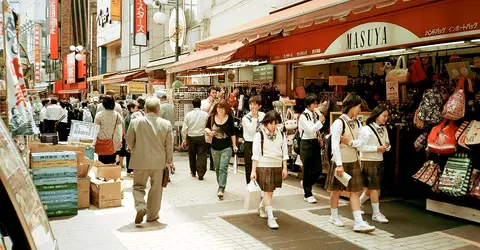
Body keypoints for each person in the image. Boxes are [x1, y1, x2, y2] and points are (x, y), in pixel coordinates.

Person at [325, 93, 375, 233]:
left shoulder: (358, 122)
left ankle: (358, 222)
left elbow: (361, 143)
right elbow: (335, 146)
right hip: (340, 162)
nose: (360, 109)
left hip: (353, 161)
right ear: (351, 106)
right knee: (336, 190)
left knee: (355, 191)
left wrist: (350, 142)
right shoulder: (338, 123)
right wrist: (339, 164)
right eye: (358, 107)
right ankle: (334, 216)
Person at [126, 97, 174, 224]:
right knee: (156, 189)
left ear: (145, 109)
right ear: (158, 109)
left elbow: (129, 139)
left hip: (140, 160)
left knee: (138, 186)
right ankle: (152, 215)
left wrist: (133, 149)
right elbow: (169, 144)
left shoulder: (135, 122)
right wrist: (169, 160)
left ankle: (141, 206)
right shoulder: (166, 124)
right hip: (159, 162)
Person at [250, 111, 288, 229]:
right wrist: (253, 171)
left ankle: (262, 207)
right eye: (271, 123)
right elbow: (255, 154)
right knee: (268, 191)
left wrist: (285, 167)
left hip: (277, 165)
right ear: (266, 123)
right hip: (264, 165)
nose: (274, 126)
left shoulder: (281, 134)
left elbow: (284, 152)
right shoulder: (259, 135)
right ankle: (271, 217)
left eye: (276, 123)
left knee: (271, 191)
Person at [358, 106, 391, 223]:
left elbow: (387, 144)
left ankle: (358, 203)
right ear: (376, 115)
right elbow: (361, 147)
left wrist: (386, 147)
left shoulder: (384, 129)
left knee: (373, 187)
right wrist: (377, 148)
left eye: (387, 116)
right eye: (384, 116)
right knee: (374, 187)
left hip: (379, 160)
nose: (386, 118)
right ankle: (376, 213)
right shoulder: (366, 129)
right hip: (368, 160)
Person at [205, 100, 238, 200]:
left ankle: (221, 188)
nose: (220, 110)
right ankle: (221, 184)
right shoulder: (211, 117)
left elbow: (233, 133)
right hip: (214, 147)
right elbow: (206, 128)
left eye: (222, 108)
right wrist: (210, 132)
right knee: (218, 168)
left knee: (223, 168)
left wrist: (234, 145)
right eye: (219, 108)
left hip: (226, 147)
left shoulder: (230, 119)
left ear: (226, 109)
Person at [298, 94, 325, 204]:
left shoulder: (314, 114)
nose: (316, 105)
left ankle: (306, 183)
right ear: (308, 104)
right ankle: (307, 193)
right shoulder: (304, 116)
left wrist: (319, 137)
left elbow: (317, 129)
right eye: (314, 103)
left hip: (314, 142)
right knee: (308, 169)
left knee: (318, 169)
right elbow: (310, 130)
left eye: (316, 103)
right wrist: (320, 121)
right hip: (306, 142)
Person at [181, 98, 209, 180]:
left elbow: (184, 129)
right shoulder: (205, 114)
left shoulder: (188, 115)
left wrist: (184, 139)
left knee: (192, 155)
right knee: (202, 155)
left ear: (193, 105)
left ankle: (193, 171)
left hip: (191, 137)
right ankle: (201, 173)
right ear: (200, 104)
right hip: (202, 137)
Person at [242, 96, 265, 184]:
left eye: (255, 104)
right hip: (249, 143)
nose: (252, 106)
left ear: (259, 106)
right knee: (249, 167)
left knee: (260, 165)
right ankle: (250, 186)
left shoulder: (263, 115)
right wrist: (254, 118)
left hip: (260, 143)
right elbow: (253, 131)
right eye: (251, 104)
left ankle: (259, 187)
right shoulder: (245, 118)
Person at [95, 96, 124, 164]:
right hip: (113, 142)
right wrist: (120, 140)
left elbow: (96, 129)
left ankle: (102, 174)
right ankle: (110, 173)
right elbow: (120, 129)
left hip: (101, 141)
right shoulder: (117, 115)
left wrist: (93, 142)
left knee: (101, 161)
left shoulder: (99, 115)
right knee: (112, 160)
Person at [201, 86, 218, 171]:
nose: (214, 94)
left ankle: (212, 164)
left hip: (214, 124)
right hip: (206, 125)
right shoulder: (204, 102)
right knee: (206, 146)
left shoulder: (217, 102)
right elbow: (205, 111)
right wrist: (211, 103)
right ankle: (203, 166)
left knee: (213, 145)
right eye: (213, 93)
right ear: (209, 93)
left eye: (215, 93)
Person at [124, 100, 140, 175]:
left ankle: (129, 170)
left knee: (129, 154)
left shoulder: (129, 116)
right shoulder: (132, 117)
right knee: (130, 154)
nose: (138, 109)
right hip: (131, 137)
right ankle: (130, 170)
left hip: (129, 137)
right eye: (136, 107)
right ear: (131, 108)